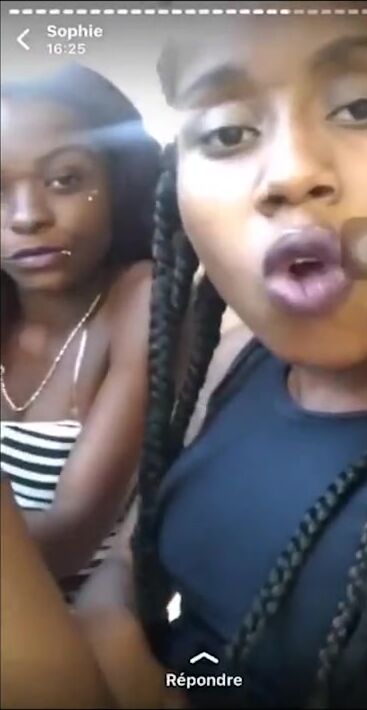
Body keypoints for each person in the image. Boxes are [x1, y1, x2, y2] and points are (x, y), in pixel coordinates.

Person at [4, 6, 367, 708]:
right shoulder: (237, 365)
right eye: (227, 133)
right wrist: (117, 639)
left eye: (361, 107)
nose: (289, 174)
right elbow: (129, 560)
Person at [0, 64, 159, 600]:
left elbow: (70, 535)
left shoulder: (140, 299)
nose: (27, 217)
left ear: (117, 184)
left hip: (65, 633)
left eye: (65, 180)